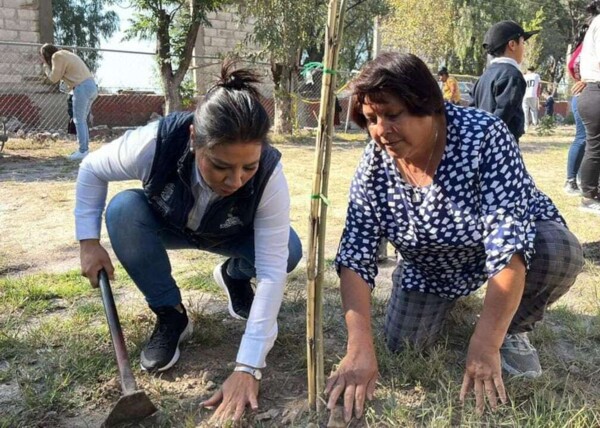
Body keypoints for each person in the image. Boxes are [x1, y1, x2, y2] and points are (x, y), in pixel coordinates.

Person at [325, 52, 583, 422]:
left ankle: (513, 327)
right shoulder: (375, 164)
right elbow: (356, 252)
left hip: (500, 250)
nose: (381, 130)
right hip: (431, 266)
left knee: (559, 251)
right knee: (404, 345)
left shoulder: (483, 137)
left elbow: (508, 243)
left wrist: (486, 343)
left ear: (429, 106)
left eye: (393, 115)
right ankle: (451, 300)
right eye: (371, 120)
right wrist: (358, 346)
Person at [74, 61, 303, 425]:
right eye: (220, 165)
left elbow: (273, 271)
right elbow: (92, 168)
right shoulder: (156, 141)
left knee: (289, 250)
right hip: (168, 224)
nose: (236, 180)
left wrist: (248, 367)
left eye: (248, 168)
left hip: (231, 233)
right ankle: (171, 315)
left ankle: (234, 277)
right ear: (195, 138)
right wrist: (88, 241)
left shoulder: (271, 174)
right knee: (122, 210)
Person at [471, 20, 540, 143]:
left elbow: (472, 109)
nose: (524, 48)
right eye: (523, 43)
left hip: (483, 144)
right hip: (502, 146)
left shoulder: (483, 77)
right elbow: (503, 115)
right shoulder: (512, 76)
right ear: (512, 45)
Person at [40, 43, 98, 161]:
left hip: (81, 88)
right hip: (92, 86)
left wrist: (46, 67)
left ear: (46, 54)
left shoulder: (56, 56)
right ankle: (84, 149)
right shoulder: (66, 53)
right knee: (82, 120)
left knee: (78, 120)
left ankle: (82, 151)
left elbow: (54, 78)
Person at [577, 0, 600, 214]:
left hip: (592, 90)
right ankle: (588, 196)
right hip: (596, 91)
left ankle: (592, 192)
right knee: (595, 148)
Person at [564, 25, 590, 196]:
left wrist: (581, 80)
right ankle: (573, 180)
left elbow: (572, 68)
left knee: (584, 139)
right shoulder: (591, 49)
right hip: (588, 95)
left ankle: (577, 179)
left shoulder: (579, 50)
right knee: (585, 138)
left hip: (580, 95)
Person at [523, 66, 542, 131]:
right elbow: (539, 85)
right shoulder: (536, 76)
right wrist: (538, 95)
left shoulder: (524, 76)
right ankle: (535, 124)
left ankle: (526, 126)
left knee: (525, 111)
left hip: (525, 95)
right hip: (533, 95)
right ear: (534, 70)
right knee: (533, 110)